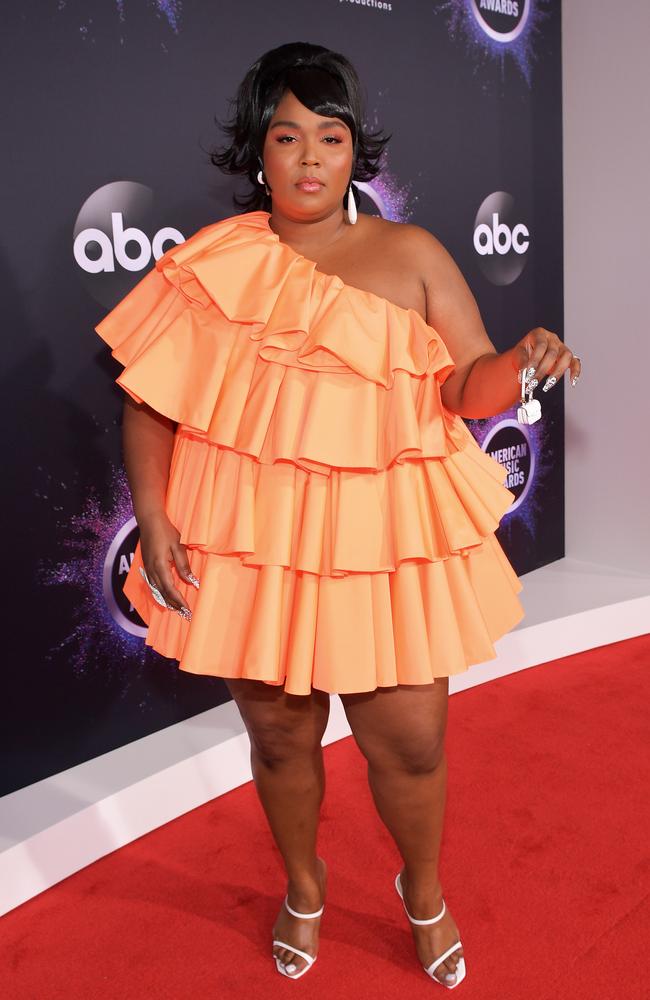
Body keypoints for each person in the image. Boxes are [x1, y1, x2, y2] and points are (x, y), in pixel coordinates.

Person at [95, 41, 581, 988]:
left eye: (331, 134)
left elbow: (465, 385)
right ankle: (305, 887)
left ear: (359, 150)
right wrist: (152, 518)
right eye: (287, 135)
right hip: (256, 547)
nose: (311, 156)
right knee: (279, 735)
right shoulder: (211, 264)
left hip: (379, 546)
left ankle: (424, 891)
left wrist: (519, 361)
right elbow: (151, 401)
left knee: (411, 741)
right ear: (257, 151)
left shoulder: (413, 254)